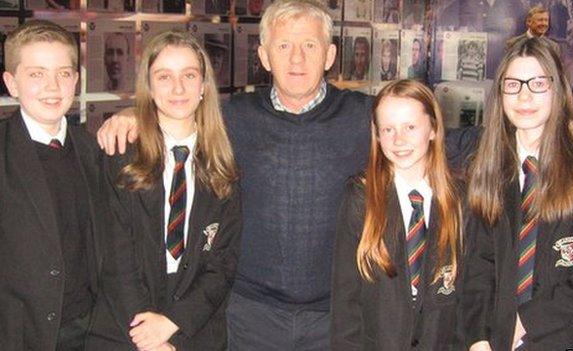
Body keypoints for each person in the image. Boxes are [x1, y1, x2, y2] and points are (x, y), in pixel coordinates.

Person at [95, 1, 479, 349]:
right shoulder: (232, 118)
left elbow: (440, 140)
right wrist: (131, 117)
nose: (297, 58)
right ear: (263, 55)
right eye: (283, 46)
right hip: (248, 316)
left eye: (310, 46)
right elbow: (177, 111)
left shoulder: (365, 117)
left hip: (334, 318)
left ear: (329, 55)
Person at [461, 37, 573, 350]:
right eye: (513, 84)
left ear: (558, 90)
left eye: (537, 83)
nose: (524, 95)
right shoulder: (488, 173)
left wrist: (525, 320)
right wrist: (478, 336)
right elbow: (478, 267)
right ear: (499, 93)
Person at [87, 31, 241, 351]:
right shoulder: (121, 155)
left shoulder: (224, 163)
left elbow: (223, 265)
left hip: (196, 329)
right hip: (125, 328)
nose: (178, 87)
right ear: (149, 86)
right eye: (164, 76)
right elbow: (115, 257)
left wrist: (174, 323)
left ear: (204, 86)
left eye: (189, 75)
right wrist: (149, 337)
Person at [0, 19, 109, 350]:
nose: (53, 86)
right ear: (11, 83)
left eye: (63, 73)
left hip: (93, 330)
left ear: (76, 80)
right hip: (20, 334)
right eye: (36, 74)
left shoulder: (95, 148)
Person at [331, 79, 464, 350]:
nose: (398, 140)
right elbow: (346, 300)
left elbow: (471, 293)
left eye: (410, 127)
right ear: (377, 135)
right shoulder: (361, 198)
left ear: (433, 129)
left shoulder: (461, 199)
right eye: (388, 129)